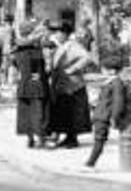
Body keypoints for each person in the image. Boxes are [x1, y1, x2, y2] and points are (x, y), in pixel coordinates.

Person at [84, 50, 131, 169]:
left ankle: (90, 163)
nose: (102, 71)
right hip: (100, 114)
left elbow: (118, 102)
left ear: (112, 71)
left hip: (104, 116)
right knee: (98, 139)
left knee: (99, 140)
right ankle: (90, 162)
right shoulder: (110, 82)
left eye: (104, 69)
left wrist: (114, 117)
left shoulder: (117, 83)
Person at [48, 23, 94, 148]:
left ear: (64, 34)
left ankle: (72, 139)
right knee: (65, 111)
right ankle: (68, 137)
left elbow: (87, 58)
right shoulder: (61, 46)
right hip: (63, 85)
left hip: (73, 85)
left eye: (58, 32)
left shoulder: (73, 45)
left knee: (72, 112)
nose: (55, 35)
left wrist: (73, 69)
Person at [12, 20, 49, 149]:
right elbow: (42, 69)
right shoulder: (37, 52)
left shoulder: (17, 52)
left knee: (25, 112)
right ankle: (40, 138)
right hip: (36, 84)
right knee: (38, 112)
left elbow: (16, 67)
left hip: (23, 84)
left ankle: (30, 138)